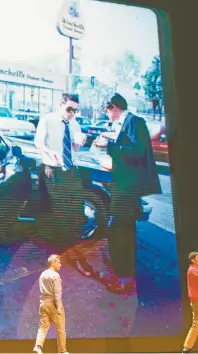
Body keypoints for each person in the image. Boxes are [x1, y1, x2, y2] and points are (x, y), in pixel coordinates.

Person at [94, 93, 161, 293]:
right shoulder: (129, 122)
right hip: (125, 185)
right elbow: (129, 152)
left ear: (113, 107)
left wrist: (109, 145)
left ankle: (124, 277)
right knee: (122, 229)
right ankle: (123, 274)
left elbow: (136, 151)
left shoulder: (135, 121)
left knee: (119, 230)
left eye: (107, 111)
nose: (108, 116)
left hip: (128, 188)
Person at [34, 93, 93, 277]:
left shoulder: (74, 124)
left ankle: (71, 251)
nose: (72, 113)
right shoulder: (48, 120)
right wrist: (51, 154)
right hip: (53, 169)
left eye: (75, 110)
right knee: (59, 211)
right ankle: (59, 253)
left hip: (70, 169)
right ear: (61, 105)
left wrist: (79, 144)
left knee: (76, 209)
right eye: (69, 109)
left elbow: (73, 148)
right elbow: (38, 142)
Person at [33, 254, 69, 354]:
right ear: (53, 263)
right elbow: (57, 293)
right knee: (60, 329)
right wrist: (58, 307)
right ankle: (62, 351)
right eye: (59, 262)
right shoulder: (55, 275)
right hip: (53, 304)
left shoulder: (42, 274)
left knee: (43, 327)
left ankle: (38, 346)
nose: (60, 265)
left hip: (43, 304)